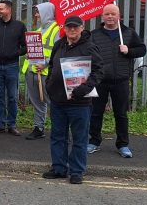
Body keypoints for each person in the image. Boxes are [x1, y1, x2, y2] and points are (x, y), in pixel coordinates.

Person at [43, 15, 103, 184]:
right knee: (58, 136)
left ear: (82, 28)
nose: (72, 30)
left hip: (80, 103)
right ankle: (59, 168)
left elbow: (99, 71)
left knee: (79, 138)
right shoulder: (59, 45)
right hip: (58, 100)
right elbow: (52, 66)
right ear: (64, 28)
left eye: (75, 27)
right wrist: (49, 85)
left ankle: (76, 171)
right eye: (69, 27)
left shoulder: (90, 47)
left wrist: (85, 88)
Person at [89, 4, 146, 158]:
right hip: (100, 80)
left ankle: (123, 144)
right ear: (102, 17)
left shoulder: (128, 33)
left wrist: (129, 51)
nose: (110, 17)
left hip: (121, 80)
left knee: (121, 114)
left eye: (113, 14)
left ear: (119, 16)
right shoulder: (94, 35)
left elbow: (142, 49)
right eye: (107, 14)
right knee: (95, 113)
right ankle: (94, 141)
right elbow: (87, 53)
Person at [0, 0, 26, 135]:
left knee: (12, 96)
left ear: (9, 10)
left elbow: (26, 46)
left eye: (1, 9)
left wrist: (16, 53)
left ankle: (12, 124)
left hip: (12, 66)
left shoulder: (19, 26)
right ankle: (0, 124)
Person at [21, 2, 60, 140]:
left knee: (52, 102)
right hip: (32, 71)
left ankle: (59, 129)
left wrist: (46, 64)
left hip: (46, 73)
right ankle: (39, 128)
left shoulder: (56, 30)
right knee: (37, 102)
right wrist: (29, 55)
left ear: (46, 13)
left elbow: (58, 52)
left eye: (38, 12)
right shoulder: (38, 30)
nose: (36, 15)